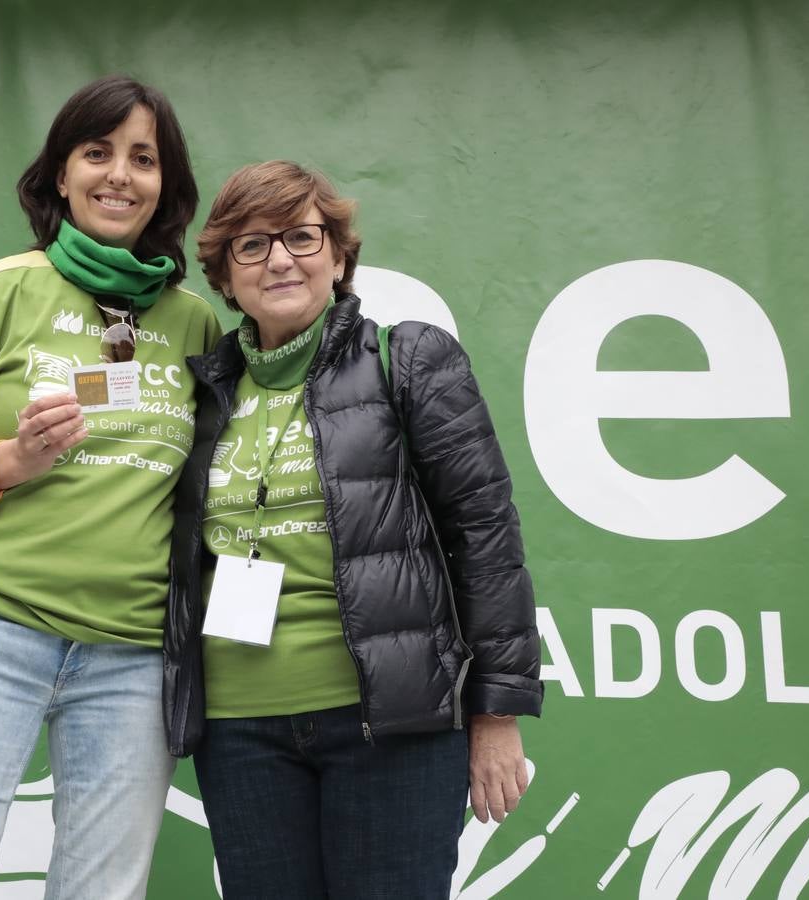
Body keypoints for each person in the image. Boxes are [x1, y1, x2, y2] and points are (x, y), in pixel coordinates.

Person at [0, 75, 221, 899]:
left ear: (164, 185)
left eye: (143, 159)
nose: (119, 175)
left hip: (132, 659)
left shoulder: (195, 323)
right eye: (96, 152)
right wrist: (9, 461)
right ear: (59, 175)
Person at [163, 160, 542, 898]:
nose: (279, 258)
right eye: (251, 245)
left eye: (302, 237)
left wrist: (495, 714)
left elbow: (487, 540)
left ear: (338, 257)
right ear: (224, 277)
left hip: (390, 725)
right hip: (241, 733)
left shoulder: (411, 359)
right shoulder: (202, 393)